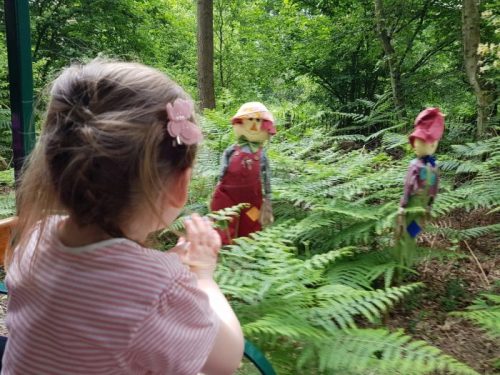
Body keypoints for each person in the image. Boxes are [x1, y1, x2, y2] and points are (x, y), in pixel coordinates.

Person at [2, 59, 243, 374]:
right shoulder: (160, 290)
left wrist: (159, 270)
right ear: (180, 185)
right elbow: (225, 361)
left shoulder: (34, 238)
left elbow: (94, 291)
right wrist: (201, 276)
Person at [210, 102, 275, 244]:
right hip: (227, 196)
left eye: (257, 120)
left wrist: (268, 198)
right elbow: (222, 170)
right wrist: (218, 183)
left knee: (251, 227)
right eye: (250, 120)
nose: (253, 125)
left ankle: (246, 253)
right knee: (224, 225)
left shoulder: (262, 155)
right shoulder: (232, 150)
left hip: (252, 201)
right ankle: (224, 254)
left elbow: (266, 176)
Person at [394, 107, 445, 270]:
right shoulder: (432, 166)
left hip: (416, 204)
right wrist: (428, 205)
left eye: (422, 141)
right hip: (420, 205)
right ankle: (402, 263)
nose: (417, 145)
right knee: (408, 232)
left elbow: (410, 187)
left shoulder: (421, 166)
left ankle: (402, 264)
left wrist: (403, 205)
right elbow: (432, 188)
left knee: (408, 232)